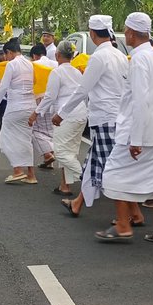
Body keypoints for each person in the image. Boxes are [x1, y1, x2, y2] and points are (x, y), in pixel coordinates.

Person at [96, 12, 153, 245]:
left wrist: (136, 139)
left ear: (131, 33)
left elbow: (140, 101)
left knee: (112, 173)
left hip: (140, 130)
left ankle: (123, 225)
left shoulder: (139, 59)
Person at [56, 15, 128, 216]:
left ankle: (129, 216)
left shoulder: (99, 57)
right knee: (93, 163)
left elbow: (82, 90)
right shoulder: (120, 56)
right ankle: (77, 203)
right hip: (115, 117)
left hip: (105, 118)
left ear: (92, 33)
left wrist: (61, 114)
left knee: (110, 167)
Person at [36, 40, 87, 196]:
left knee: (60, 152)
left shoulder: (57, 72)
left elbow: (50, 97)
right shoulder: (77, 72)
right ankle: (65, 186)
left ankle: (88, 180)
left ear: (57, 55)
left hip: (66, 115)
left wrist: (36, 113)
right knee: (70, 151)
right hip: (81, 113)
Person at [0, 38, 38, 185]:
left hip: (15, 106)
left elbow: (3, 87)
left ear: (10, 52)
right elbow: (35, 81)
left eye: (6, 54)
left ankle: (17, 170)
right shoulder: (30, 64)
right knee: (25, 140)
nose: (6, 57)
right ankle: (31, 175)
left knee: (5, 138)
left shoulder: (12, 64)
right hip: (30, 107)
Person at [29, 44, 57, 169]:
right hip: (56, 100)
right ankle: (50, 159)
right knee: (50, 130)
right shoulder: (55, 64)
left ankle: (47, 154)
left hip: (41, 99)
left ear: (34, 55)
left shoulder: (34, 65)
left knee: (36, 130)